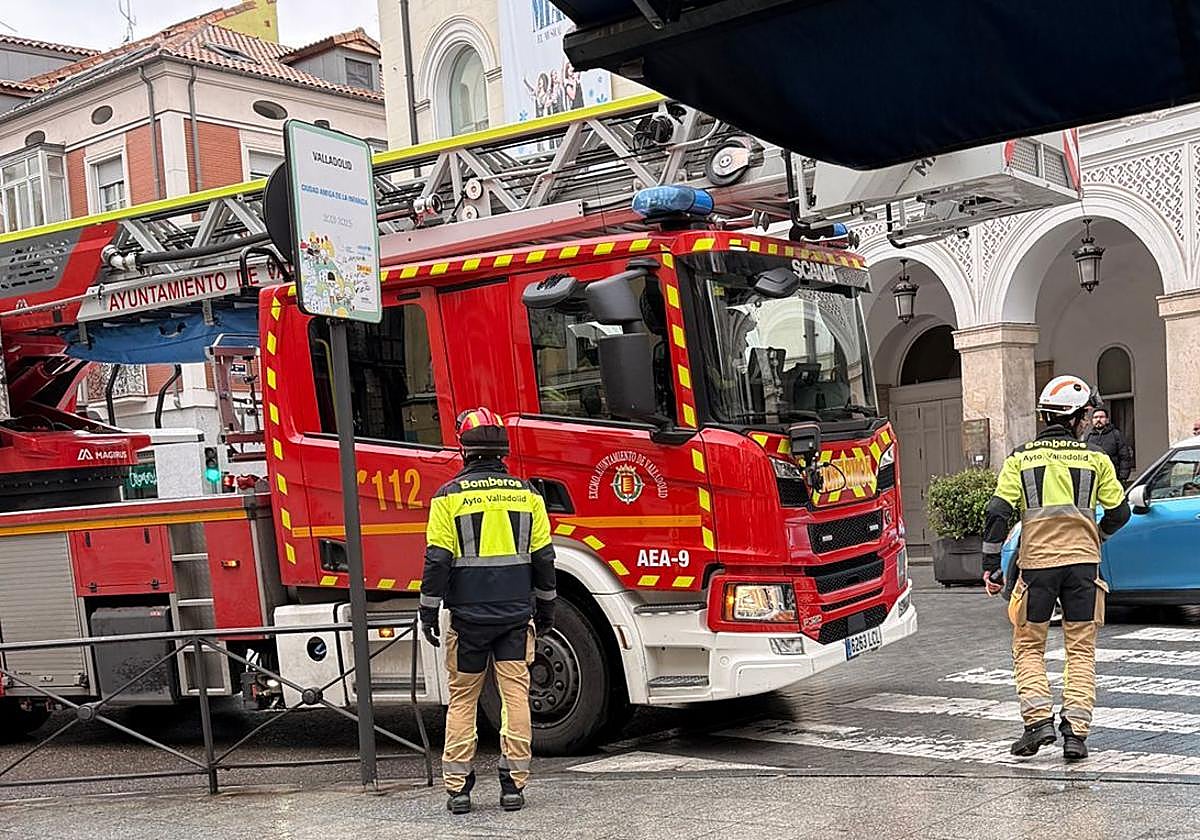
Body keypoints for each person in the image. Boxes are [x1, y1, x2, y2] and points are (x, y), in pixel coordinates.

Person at [981, 375, 1130, 762]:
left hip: (1037, 567)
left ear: (1046, 416)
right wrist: (1097, 535)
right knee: (1080, 649)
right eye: (1086, 416)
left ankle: (1037, 723)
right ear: (1078, 419)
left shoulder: (1020, 458)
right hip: (1083, 568)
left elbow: (997, 512)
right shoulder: (1096, 459)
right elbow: (1120, 512)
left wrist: (991, 565)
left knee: (1029, 645)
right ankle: (1076, 735)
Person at [419, 407, 557, 815]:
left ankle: (458, 789)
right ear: (503, 451)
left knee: (463, 699)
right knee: (515, 696)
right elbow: (544, 558)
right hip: (514, 618)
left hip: (468, 621)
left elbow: (438, 559)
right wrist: (546, 609)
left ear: (464, 449)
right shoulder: (528, 495)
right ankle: (513, 785)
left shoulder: (448, 497)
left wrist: (428, 610)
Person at [1085, 407, 1133, 482]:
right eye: (1095, 417)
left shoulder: (1116, 435)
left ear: (1107, 420)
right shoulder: (1088, 437)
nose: (1098, 420)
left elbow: (1124, 457)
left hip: (1113, 478)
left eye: (1101, 417)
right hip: (1094, 479)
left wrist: (1123, 477)